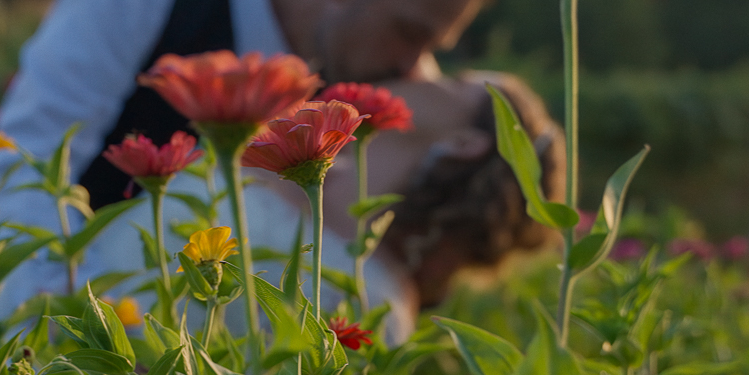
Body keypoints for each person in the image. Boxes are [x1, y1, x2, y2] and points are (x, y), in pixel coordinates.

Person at [0, 0, 499, 321]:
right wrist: (80, 331)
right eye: (409, 33)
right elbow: (26, 162)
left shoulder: (373, 77)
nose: (414, 66)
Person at [77, 71, 565, 342]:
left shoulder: (370, 301)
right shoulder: (264, 158)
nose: (425, 69)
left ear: (464, 143)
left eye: (455, 82)